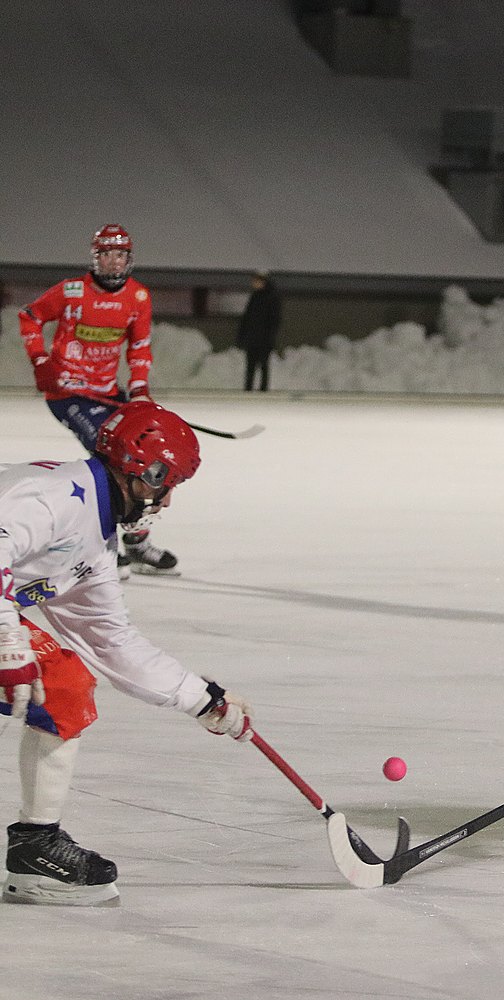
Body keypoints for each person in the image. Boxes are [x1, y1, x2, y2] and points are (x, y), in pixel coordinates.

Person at [0, 401, 254, 906]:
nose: (166, 500)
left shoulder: (94, 538)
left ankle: (36, 849)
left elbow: (111, 639)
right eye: (167, 484)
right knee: (37, 680)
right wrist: (9, 647)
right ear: (145, 473)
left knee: (65, 687)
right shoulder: (52, 500)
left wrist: (202, 699)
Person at [15, 225, 180, 575]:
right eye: (106, 254)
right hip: (68, 394)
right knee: (111, 460)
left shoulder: (138, 297)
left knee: (146, 453)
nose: (113, 262)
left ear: (129, 259)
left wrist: (138, 390)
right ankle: (104, 546)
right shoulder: (72, 291)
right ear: (96, 257)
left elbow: (139, 348)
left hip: (107, 393)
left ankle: (137, 542)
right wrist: (40, 362)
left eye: (119, 255)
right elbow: (29, 317)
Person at [235, 270, 282, 392]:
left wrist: (270, 337)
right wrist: (242, 336)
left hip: (264, 340)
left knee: (263, 365)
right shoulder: (255, 297)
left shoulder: (272, 297)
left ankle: (263, 390)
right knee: (250, 366)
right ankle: (248, 389)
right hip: (252, 339)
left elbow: (274, 320)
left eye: (256, 281)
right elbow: (247, 318)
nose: (253, 283)